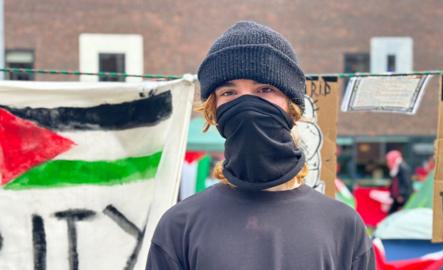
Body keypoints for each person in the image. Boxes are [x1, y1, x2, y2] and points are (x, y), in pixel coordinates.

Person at [146, 21, 375, 270]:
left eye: (264, 89)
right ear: (213, 112)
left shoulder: (343, 227)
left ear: (292, 107)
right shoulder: (180, 226)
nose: (247, 104)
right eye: (229, 93)